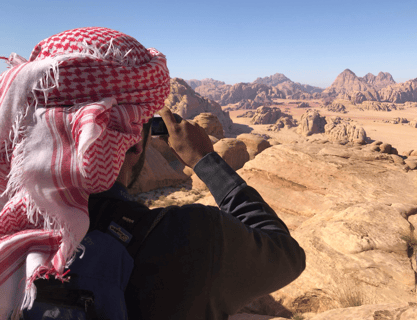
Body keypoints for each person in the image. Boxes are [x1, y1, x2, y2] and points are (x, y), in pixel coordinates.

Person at [0, 27, 306, 320]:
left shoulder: (11, 231)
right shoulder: (190, 238)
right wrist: (205, 160)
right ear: (133, 143)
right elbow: (286, 254)